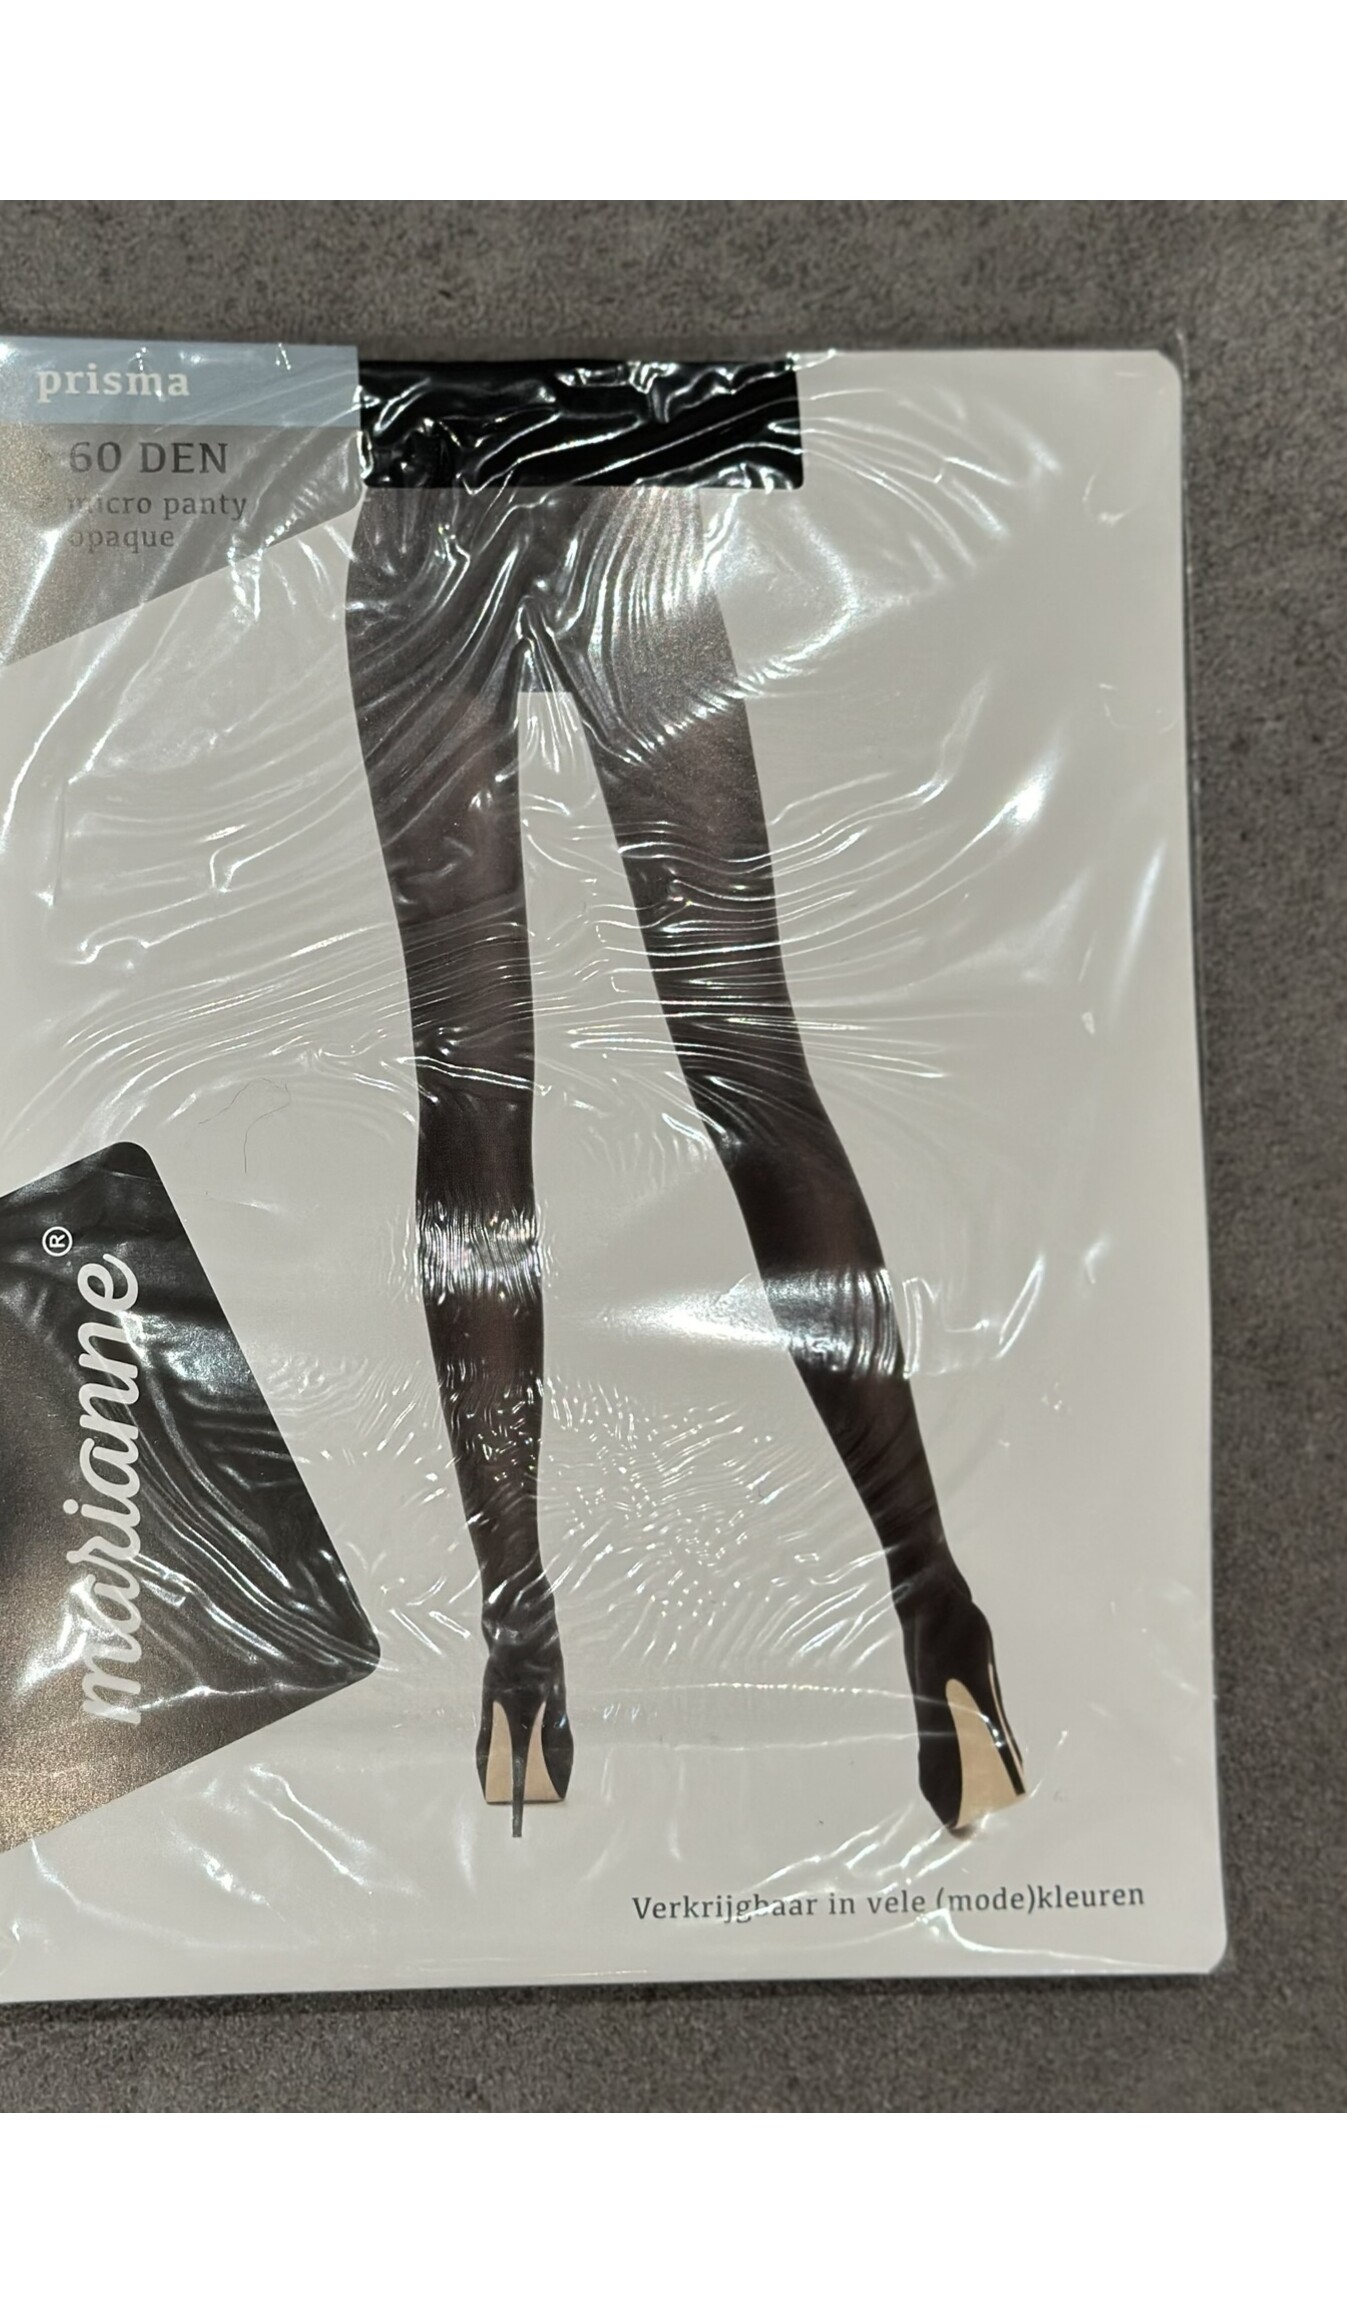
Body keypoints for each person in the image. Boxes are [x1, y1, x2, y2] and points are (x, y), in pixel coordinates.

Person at [344, 360, 1024, 1836]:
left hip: (432, 489)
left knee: (473, 1083)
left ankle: (520, 1643)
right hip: (624, 478)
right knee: (750, 1068)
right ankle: (937, 1605)